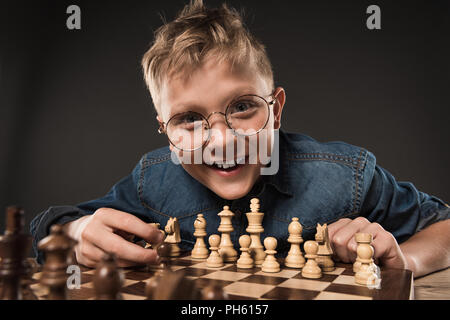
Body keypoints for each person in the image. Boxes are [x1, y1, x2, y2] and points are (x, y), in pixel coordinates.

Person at [30, 0, 449, 277]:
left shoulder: (344, 177)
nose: (222, 140)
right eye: (189, 119)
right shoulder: (153, 181)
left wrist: (404, 258)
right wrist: (74, 234)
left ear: (277, 109)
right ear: (165, 130)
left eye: (242, 107)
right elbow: (52, 224)